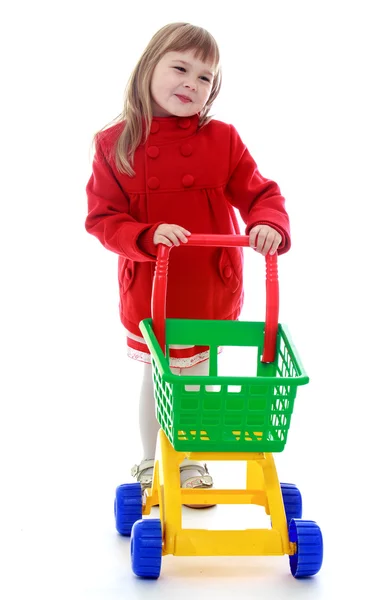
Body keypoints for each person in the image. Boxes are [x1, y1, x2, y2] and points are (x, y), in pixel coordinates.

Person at [85, 22, 291, 507]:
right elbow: (102, 217)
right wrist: (145, 235)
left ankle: (190, 458)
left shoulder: (221, 139)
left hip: (208, 284)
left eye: (205, 78)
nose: (192, 84)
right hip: (151, 285)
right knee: (157, 375)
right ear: (147, 69)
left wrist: (267, 223)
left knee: (196, 373)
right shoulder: (113, 143)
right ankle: (151, 459)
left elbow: (262, 192)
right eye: (181, 68)